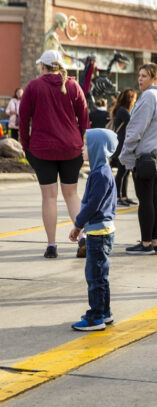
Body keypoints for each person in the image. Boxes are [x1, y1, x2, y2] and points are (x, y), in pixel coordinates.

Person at [19, 49, 89, 259]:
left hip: (42, 149)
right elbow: (84, 117)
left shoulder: (34, 86)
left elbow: (23, 119)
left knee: (49, 196)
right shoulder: (72, 85)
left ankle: (51, 245)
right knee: (71, 194)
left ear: (43, 66)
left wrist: (26, 145)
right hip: (71, 148)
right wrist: (82, 142)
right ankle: (82, 238)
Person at [119, 63, 157, 255]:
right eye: (140, 75)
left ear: (155, 79)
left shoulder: (150, 96)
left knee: (146, 201)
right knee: (154, 199)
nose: (140, 79)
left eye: (145, 76)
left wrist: (126, 154)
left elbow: (135, 129)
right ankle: (155, 241)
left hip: (144, 156)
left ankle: (145, 244)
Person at [68, 129, 117, 331]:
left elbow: (91, 205)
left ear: (98, 148)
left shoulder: (100, 175)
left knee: (94, 276)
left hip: (98, 234)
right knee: (101, 275)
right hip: (102, 231)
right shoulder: (101, 172)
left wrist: (78, 224)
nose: (82, 148)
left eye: (87, 145)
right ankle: (104, 312)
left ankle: (95, 317)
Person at [109, 88, 138, 207]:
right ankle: (116, 197)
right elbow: (134, 122)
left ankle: (124, 195)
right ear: (129, 99)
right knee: (122, 171)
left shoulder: (122, 110)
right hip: (122, 144)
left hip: (124, 143)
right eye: (134, 98)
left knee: (126, 171)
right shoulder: (122, 111)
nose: (135, 100)